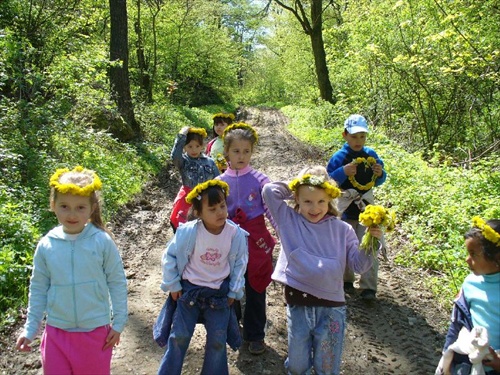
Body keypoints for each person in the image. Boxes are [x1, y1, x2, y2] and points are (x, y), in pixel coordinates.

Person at [262, 165, 382, 375]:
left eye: (321, 201)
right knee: (298, 366)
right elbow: (269, 191)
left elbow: (359, 265)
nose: (314, 208)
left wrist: (372, 241)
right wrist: (302, 185)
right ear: (296, 200)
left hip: (332, 307)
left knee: (326, 365)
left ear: (330, 200)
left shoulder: (342, 229)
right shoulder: (288, 220)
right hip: (298, 302)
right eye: (307, 201)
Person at [15, 166, 128, 375]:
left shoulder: (101, 241)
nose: (72, 214)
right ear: (53, 205)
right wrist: (31, 329)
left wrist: (119, 322)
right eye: (65, 206)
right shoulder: (47, 245)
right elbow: (38, 288)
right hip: (56, 334)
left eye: (80, 207)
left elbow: (117, 281)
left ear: (92, 208)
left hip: (95, 334)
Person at [157, 180, 249, 375]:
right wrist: (173, 284)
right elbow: (169, 256)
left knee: (217, 341)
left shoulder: (235, 235)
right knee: (179, 336)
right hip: (189, 291)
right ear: (199, 212)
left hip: (219, 294)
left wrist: (234, 290)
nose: (220, 212)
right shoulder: (188, 232)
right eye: (212, 208)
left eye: (222, 206)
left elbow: (241, 262)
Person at [217, 122, 277, 355]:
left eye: (246, 151)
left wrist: (281, 233)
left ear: (252, 152)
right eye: (236, 151)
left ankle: (255, 335)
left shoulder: (261, 180)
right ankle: (233, 328)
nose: (241, 156)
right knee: (230, 284)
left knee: (256, 285)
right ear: (226, 152)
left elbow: (271, 209)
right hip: (229, 238)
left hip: (256, 239)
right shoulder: (220, 181)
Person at [326, 114, 387, 301]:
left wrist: (380, 173)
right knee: (345, 245)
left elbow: (379, 179)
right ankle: (346, 280)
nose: (358, 141)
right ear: (345, 135)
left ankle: (369, 287)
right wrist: (343, 172)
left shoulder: (371, 155)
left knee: (369, 243)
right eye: (353, 136)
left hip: (366, 209)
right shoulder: (339, 157)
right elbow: (329, 180)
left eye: (362, 136)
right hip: (345, 208)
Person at [435, 217, 500, 375]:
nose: (467, 259)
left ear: (497, 257)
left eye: (473, 254)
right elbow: (456, 324)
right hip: (465, 363)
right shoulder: (470, 284)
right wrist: (446, 358)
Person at [170, 126, 220, 232]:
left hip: (205, 197)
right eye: (190, 146)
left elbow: (217, 180)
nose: (194, 150)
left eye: (197, 146)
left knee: (205, 224)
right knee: (182, 223)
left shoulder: (209, 162)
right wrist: (182, 136)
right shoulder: (183, 161)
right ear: (184, 147)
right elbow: (175, 156)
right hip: (187, 198)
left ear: (202, 146)